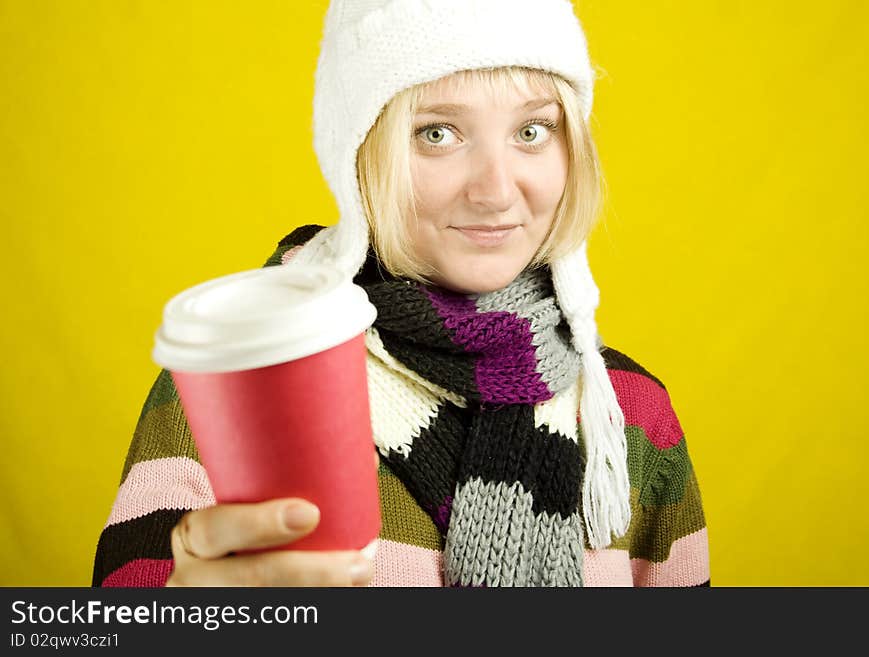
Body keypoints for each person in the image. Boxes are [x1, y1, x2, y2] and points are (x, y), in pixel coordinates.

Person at [92, 0, 710, 587]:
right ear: (358, 155)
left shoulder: (627, 416)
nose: (496, 191)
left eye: (532, 130)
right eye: (437, 134)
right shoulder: (243, 382)